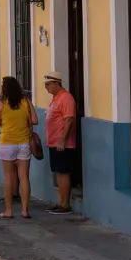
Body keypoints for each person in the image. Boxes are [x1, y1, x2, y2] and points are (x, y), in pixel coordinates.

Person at [0, 76, 38, 219]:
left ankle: (8, 210)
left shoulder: (1, 104)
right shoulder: (26, 102)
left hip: (7, 143)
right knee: (24, 177)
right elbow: (35, 120)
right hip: (23, 142)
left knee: (8, 176)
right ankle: (25, 210)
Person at [44, 72, 77, 214]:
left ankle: (65, 204)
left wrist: (62, 140)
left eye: (48, 84)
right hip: (53, 143)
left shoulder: (66, 98)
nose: (46, 88)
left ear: (57, 83)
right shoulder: (56, 98)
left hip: (62, 144)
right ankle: (60, 201)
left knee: (64, 172)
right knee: (58, 172)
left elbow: (69, 120)